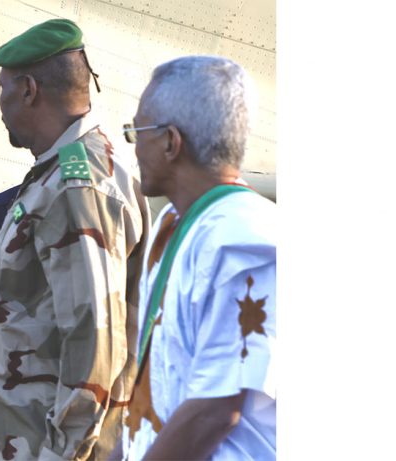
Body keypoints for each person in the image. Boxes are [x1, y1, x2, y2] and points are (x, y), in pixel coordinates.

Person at [0, 19, 151, 460]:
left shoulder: (77, 186)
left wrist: (63, 454)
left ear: (29, 90)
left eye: (1, 90)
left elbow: (95, 342)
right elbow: (50, 302)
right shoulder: (62, 168)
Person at [111, 55, 276, 461]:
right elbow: (156, 388)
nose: (134, 148)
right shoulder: (174, 222)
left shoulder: (243, 242)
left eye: (136, 132)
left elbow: (213, 411)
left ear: (171, 142)